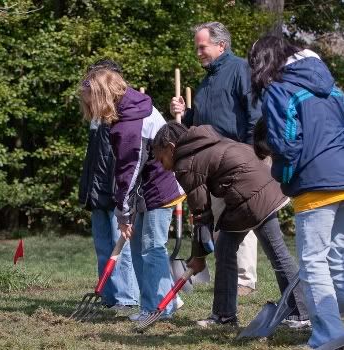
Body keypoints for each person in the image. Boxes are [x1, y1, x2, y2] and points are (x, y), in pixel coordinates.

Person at [153, 121, 309, 327]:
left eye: (161, 158)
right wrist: (199, 255)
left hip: (252, 197)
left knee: (274, 253)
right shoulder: (205, 141)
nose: (162, 166)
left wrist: (198, 257)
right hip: (263, 186)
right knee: (230, 249)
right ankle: (226, 315)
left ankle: (300, 313)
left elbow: (201, 214)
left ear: (171, 148)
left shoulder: (185, 163)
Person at [250, 35, 344, 349]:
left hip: (314, 185)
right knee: (338, 261)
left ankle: (329, 336)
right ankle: (333, 326)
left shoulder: (279, 89)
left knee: (314, 263)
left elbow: (285, 145)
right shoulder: (333, 88)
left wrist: (284, 177)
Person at [79, 68, 185, 322]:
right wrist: (127, 208)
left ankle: (163, 309)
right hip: (146, 190)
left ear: (102, 96)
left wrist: (123, 213)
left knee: (151, 248)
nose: (89, 109)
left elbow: (129, 171)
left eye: (90, 102)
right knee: (139, 248)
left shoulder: (130, 124)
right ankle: (153, 306)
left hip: (161, 189)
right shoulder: (128, 106)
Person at [170, 21, 260, 297]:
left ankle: (244, 280)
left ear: (221, 45)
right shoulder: (207, 80)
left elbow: (255, 113)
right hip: (211, 160)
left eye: (202, 47)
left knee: (241, 216)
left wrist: (250, 151)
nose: (198, 52)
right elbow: (201, 121)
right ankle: (229, 273)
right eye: (197, 47)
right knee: (221, 219)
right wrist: (185, 114)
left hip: (237, 156)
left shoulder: (240, 70)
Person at [78, 59, 139, 310]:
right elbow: (95, 159)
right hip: (97, 190)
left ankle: (127, 297)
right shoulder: (96, 115)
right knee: (103, 246)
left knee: (120, 247)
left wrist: (122, 194)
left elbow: (125, 160)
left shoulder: (123, 113)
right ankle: (109, 295)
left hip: (116, 191)